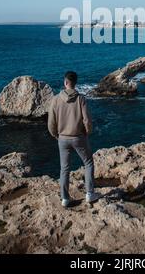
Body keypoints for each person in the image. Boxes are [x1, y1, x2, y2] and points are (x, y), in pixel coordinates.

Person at [48, 71, 99, 207]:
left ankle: (64, 198)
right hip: (78, 137)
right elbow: (87, 120)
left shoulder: (56, 99)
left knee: (64, 168)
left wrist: (55, 135)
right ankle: (89, 193)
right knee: (88, 163)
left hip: (62, 138)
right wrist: (87, 132)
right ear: (75, 83)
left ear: (65, 82)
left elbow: (51, 123)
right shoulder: (81, 99)